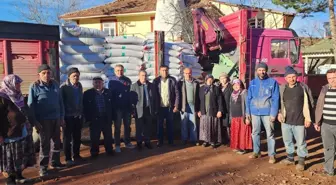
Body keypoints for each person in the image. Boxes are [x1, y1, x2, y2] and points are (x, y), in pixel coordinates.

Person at [28, 64, 66, 177]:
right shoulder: (34, 87)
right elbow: (31, 106)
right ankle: (43, 168)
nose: (46, 75)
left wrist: (62, 117)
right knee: (45, 145)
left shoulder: (55, 84)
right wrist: (34, 122)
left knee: (56, 142)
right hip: (43, 121)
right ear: (39, 75)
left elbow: (60, 102)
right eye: (44, 73)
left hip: (56, 118)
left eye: (48, 72)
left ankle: (55, 162)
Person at [0, 75, 35, 185]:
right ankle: (10, 180)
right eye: (17, 83)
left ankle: (19, 176)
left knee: (20, 156)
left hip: (22, 130)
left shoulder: (18, 96)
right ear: (9, 84)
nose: (19, 85)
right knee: (11, 158)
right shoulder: (2, 97)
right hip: (9, 133)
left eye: (19, 83)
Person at [246, 62, 279, 164]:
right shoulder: (252, 83)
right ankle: (256, 151)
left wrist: (274, 113)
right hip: (255, 112)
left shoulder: (272, 82)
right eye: (259, 70)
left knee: (270, 134)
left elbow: (276, 98)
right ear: (256, 71)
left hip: (267, 112)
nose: (261, 72)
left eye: (263, 70)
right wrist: (248, 113)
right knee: (255, 133)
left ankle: (272, 155)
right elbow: (248, 98)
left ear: (266, 70)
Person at [83, 77, 114, 159]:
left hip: (106, 118)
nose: (98, 84)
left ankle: (109, 150)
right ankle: (94, 152)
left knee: (108, 136)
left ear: (102, 83)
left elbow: (112, 106)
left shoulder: (108, 92)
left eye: (99, 82)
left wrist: (112, 117)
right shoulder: (87, 94)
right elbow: (85, 108)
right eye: (96, 82)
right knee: (95, 137)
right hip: (95, 119)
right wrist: (88, 119)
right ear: (93, 84)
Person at [60, 67, 84, 166]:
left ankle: (77, 155)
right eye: (74, 76)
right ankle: (68, 158)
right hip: (68, 117)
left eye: (77, 76)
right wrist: (62, 117)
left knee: (77, 137)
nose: (76, 77)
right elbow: (61, 103)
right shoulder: (64, 87)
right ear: (69, 76)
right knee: (67, 138)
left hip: (78, 116)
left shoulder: (79, 86)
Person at [314, 68, 336, 176]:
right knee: (328, 148)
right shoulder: (324, 89)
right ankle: (329, 170)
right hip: (326, 125)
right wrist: (317, 122)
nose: (332, 80)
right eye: (329, 78)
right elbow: (319, 106)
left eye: (334, 78)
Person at [108, 64, 134, 152]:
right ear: (115, 71)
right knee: (117, 127)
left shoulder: (127, 80)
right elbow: (110, 96)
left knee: (127, 126)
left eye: (121, 70)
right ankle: (117, 144)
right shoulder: (111, 81)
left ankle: (127, 142)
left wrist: (131, 107)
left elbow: (130, 94)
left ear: (124, 71)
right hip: (117, 108)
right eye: (118, 70)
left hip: (127, 108)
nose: (120, 72)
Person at [153, 65, 179, 147]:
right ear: (159, 71)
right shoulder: (156, 81)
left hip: (169, 107)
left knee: (170, 125)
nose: (165, 72)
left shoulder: (172, 80)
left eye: (166, 70)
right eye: (163, 70)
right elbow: (154, 95)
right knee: (159, 125)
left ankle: (171, 141)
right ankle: (160, 141)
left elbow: (177, 93)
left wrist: (176, 105)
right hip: (160, 107)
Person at [130, 70, 155, 150]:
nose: (144, 77)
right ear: (139, 76)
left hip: (148, 109)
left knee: (148, 127)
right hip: (139, 110)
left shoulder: (151, 85)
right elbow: (131, 100)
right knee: (139, 127)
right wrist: (133, 111)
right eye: (142, 75)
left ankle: (147, 142)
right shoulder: (134, 86)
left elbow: (155, 98)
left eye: (145, 75)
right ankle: (139, 143)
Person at [198, 74, 223, 148]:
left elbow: (220, 100)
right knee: (205, 126)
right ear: (206, 80)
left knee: (213, 126)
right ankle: (206, 141)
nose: (210, 80)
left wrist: (220, 110)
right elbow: (198, 100)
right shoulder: (202, 88)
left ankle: (213, 141)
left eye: (211, 79)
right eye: (208, 79)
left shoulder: (216, 88)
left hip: (213, 110)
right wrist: (199, 110)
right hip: (204, 110)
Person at [178, 68, 200, 145]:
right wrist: (178, 106)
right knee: (184, 123)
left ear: (191, 73)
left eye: (189, 73)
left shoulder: (195, 83)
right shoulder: (180, 83)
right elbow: (177, 95)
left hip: (192, 105)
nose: (188, 75)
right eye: (186, 73)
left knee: (193, 123)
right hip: (184, 105)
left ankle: (193, 139)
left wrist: (198, 108)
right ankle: (184, 139)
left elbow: (198, 96)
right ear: (183, 74)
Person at [229, 79, 252, 154]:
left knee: (243, 133)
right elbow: (230, 106)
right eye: (234, 85)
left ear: (240, 85)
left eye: (237, 84)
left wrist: (247, 117)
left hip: (242, 117)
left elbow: (248, 105)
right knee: (236, 133)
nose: (236, 86)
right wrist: (231, 117)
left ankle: (244, 148)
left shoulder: (244, 92)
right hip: (234, 117)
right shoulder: (232, 93)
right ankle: (238, 146)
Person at [218, 72, 233, 145]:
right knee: (221, 124)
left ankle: (230, 139)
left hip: (228, 108)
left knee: (228, 125)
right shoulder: (218, 87)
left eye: (224, 78)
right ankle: (223, 139)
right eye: (221, 78)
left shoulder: (230, 87)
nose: (223, 80)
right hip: (220, 109)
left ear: (227, 79)